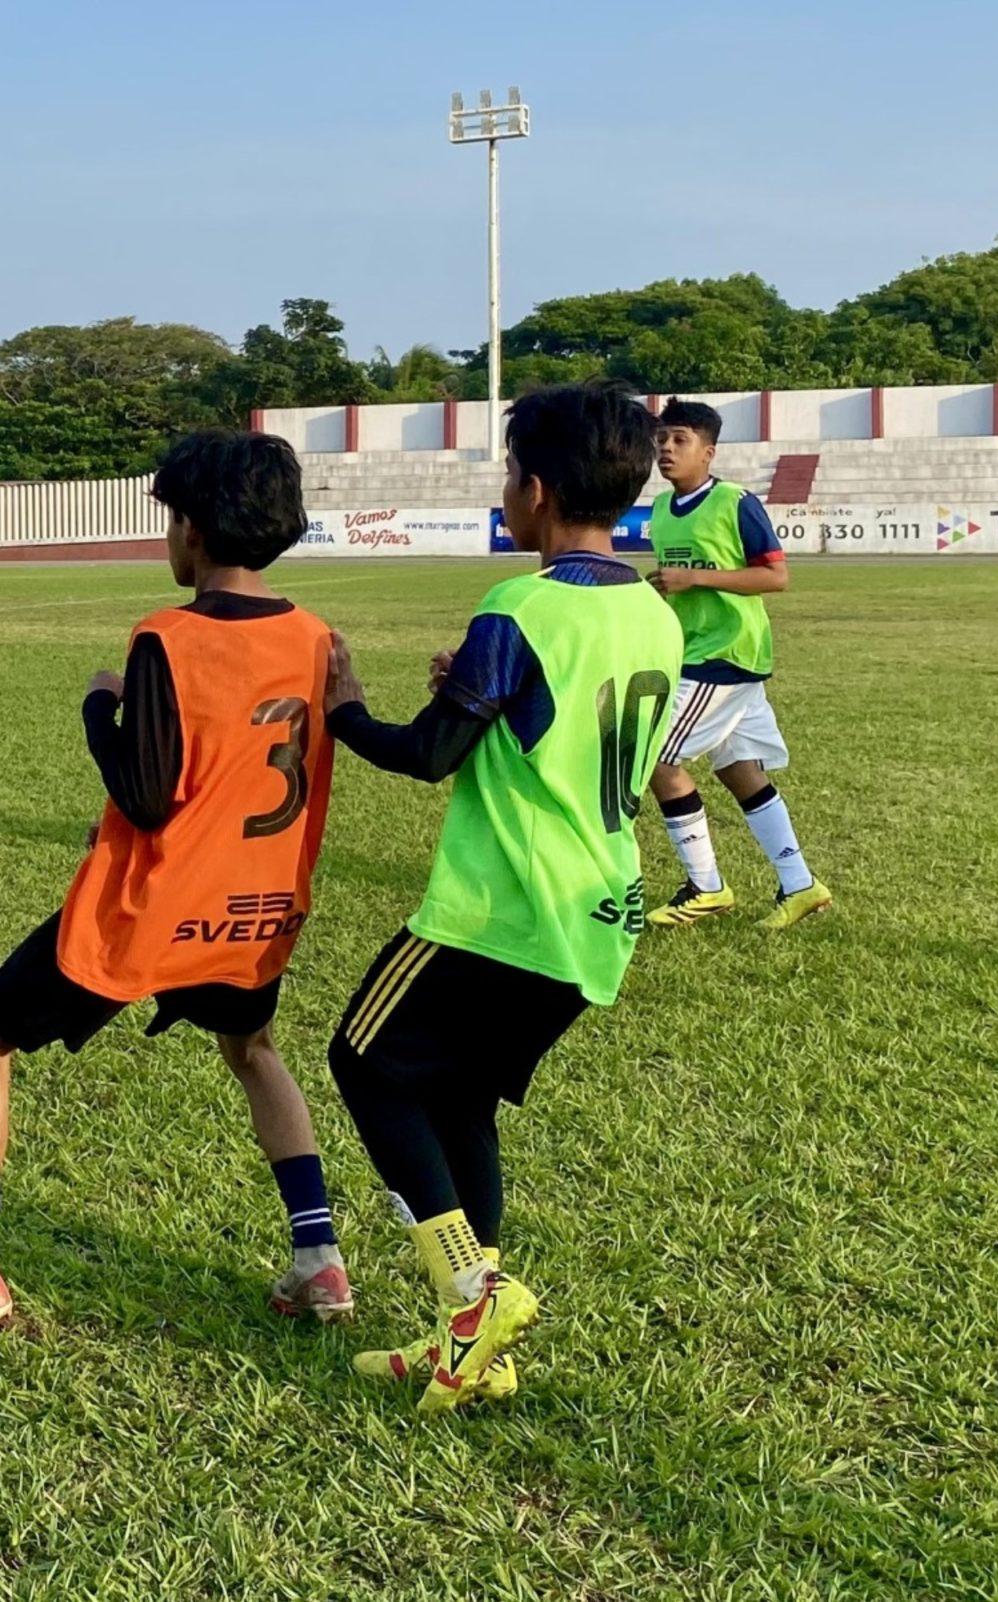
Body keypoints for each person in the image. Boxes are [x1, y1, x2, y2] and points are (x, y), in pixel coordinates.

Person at [0, 430, 352, 1331]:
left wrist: (100, 704)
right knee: (253, 1049)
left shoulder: (166, 637)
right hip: (257, 910)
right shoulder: (315, 638)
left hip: (150, 911)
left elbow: (145, 795)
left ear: (196, 528)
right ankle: (319, 1261)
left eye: (171, 518)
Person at [320, 381, 684, 1413]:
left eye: (509, 475)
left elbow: (429, 754)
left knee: (363, 1061)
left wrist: (345, 708)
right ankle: (471, 1347)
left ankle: (471, 1297)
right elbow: (550, 722)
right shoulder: (653, 612)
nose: (506, 493)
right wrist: (476, 688)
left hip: (501, 909)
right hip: (597, 909)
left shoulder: (519, 606)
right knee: (459, 1101)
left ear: (535, 491)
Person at [639, 399, 833, 931]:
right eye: (662, 440)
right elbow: (682, 581)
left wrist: (696, 579)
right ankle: (800, 885)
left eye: (679, 440)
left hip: (723, 655)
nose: (666, 449)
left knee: (653, 757)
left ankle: (706, 888)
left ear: (708, 451)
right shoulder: (662, 509)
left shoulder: (735, 502)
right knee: (739, 769)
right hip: (697, 652)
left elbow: (776, 577)